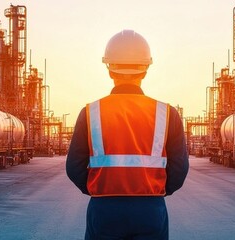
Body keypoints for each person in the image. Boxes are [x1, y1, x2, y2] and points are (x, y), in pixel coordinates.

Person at [66, 29, 190, 240]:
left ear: (109, 69)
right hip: (150, 208)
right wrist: (158, 192)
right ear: (145, 70)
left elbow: (74, 167)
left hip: (104, 208)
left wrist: (97, 191)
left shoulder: (90, 112)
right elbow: (180, 168)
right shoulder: (166, 113)